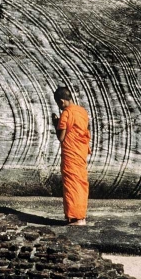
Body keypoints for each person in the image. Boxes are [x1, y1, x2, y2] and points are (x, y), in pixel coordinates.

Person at [52, 87, 92, 226]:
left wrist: (55, 124)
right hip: (80, 152)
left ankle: (76, 218)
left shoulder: (66, 113)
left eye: (58, 103)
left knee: (71, 184)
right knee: (80, 183)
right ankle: (81, 216)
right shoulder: (82, 111)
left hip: (71, 154)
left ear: (62, 101)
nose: (59, 106)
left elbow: (61, 137)